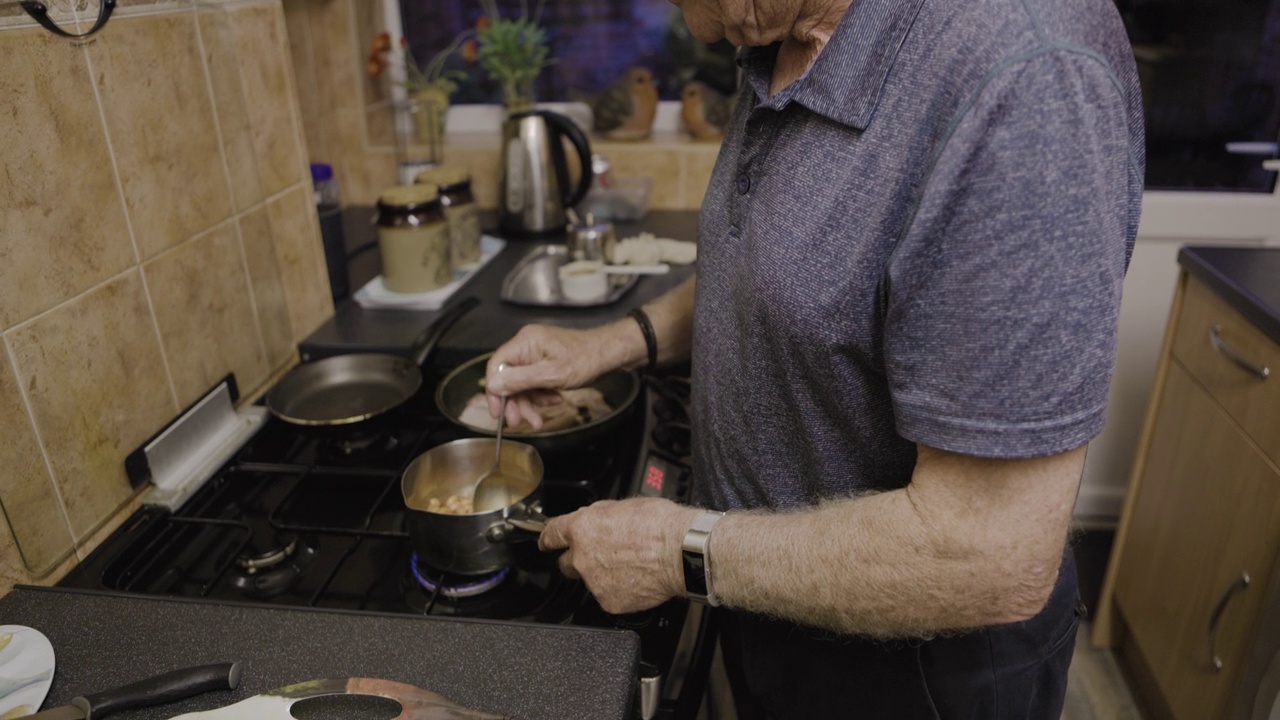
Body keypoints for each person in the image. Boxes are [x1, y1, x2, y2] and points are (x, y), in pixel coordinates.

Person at [483, 0, 1145, 715]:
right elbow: (780, 267)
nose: (687, 26)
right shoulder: (777, 29)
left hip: (914, 678)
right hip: (768, 602)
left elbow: (988, 550)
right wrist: (613, 344)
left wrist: (678, 552)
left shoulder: (1025, 76)